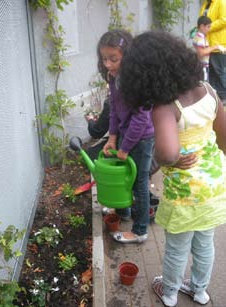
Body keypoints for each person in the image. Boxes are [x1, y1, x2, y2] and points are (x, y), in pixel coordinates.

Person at [120, 30, 226, 306]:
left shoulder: (166, 106)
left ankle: (169, 293)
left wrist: (170, 159)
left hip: (185, 193)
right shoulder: (209, 90)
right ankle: (201, 291)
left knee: (178, 248)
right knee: (205, 244)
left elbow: (167, 153)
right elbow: (225, 138)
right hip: (213, 188)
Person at [97, 29, 155, 243]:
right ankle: (124, 212)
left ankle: (140, 231)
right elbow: (114, 107)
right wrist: (112, 137)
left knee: (139, 182)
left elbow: (141, 119)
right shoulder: (114, 77)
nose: (108, 64)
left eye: (114, 59)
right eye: (104, 58)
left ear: (127, 57)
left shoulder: (138, 80)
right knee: (124, 177)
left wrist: (125, 148)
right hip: (125, 133)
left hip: (142, 138)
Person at [200, 0, 226, 105]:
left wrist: (208, 27)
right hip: (208, 43)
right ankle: (217, 96)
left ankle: (224, 95)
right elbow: (201, 20)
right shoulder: (206, 4)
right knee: (212, 71)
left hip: (219, 43)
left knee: (220, 70)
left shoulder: (221, 2)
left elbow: (224, 20)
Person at [192, 15, 223, 81]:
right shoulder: (200, 38)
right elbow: (201, 53)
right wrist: (215, 47)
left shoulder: (200, 36)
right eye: (208, 27)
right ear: (202, 26)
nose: (209, 29)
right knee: (204, 85)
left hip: (201, 66)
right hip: (201, 67)